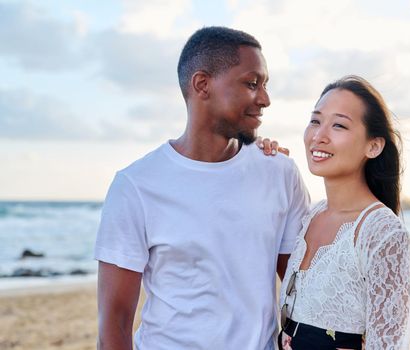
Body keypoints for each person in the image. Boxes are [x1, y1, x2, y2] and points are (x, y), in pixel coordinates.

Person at [94, 26, 310, 350]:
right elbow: (115, 320)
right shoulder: (135, 186)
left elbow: (302, 291)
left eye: (264, 85)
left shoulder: (280, 172)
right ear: (202, 84)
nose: (264, 99)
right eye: (252, 84)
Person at [277, 75, 410, 350]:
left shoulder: (382, 233)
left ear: (373, 146)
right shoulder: (310, 217)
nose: (319, 135)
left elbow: (387, 345)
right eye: (315, 121)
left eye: (338, 125)